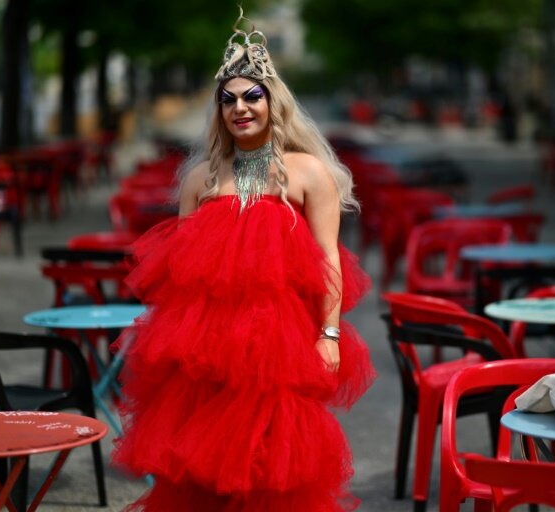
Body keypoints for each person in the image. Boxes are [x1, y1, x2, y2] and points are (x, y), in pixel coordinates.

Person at [112, 9, 376, 511]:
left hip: (278, 352)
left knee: (271, 467)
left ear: (272, 102)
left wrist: (329, 333)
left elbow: (328, 260)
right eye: (228, 99)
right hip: (206, 353)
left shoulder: (306, 173)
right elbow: (182, 275)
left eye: (252, 96)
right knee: (199, 467)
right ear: (218, 110)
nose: (240, 107)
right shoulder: (200, 181)